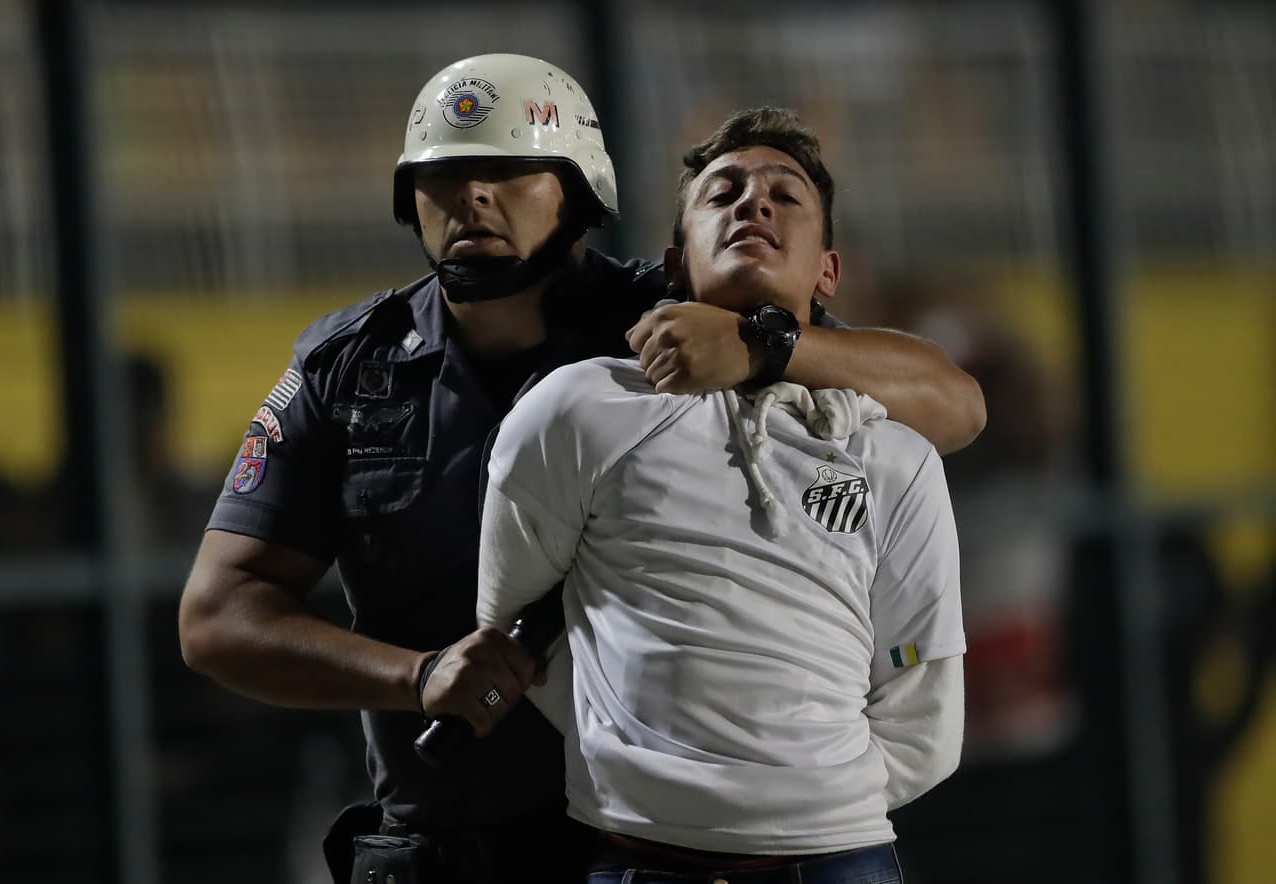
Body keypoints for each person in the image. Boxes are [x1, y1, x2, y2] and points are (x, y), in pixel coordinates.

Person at [177, 54, 983, 884]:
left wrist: (762, 344)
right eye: (443, 173)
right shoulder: (347, 369)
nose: (472, 195)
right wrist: (417, 677)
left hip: (636, 845)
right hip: (441, 840)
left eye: (508, 170)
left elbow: (951, 404)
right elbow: (219, 618)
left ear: (580, 192)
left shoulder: (681, 315)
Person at [475, 107, 965, 883]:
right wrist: (650, 775)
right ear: (675, 265)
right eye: (723, 191)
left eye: (785, 194)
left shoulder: (892, 454)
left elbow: (923, 702)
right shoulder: (577, 410)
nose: (752, 203)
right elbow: (509, 627)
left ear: (827, 272)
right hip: (639, 857)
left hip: (841, 858)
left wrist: (812, 797)